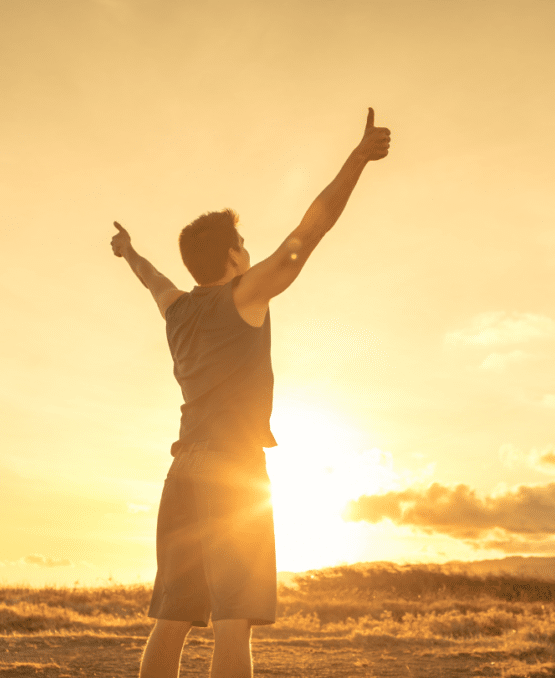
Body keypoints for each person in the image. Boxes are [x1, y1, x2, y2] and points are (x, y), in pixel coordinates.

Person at [111, 108, 391, 678]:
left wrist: (128, 251)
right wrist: (357, 159)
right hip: (232, 469)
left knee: (172, 619)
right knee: (232, 619)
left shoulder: (177, 311)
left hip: (182, 470)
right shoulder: (244, 296)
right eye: (242, 242)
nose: (249, 248)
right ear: (233, 258)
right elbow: (311, 230)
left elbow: (152, 279)